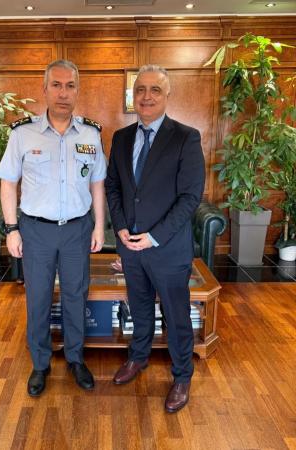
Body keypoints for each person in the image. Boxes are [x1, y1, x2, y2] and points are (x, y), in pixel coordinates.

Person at [0, 59, 106, 397]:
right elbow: (8, 183)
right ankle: (40, 364)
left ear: (77, 90)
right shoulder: (22, 133)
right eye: (56, 85)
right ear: (44, 89)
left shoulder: (91, 133)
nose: (63, 92)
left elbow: (97, 184)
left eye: (70, 86)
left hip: (77, 229)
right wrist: (11, 229)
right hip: (36, 231)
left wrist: (99, 227)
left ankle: (75, 358)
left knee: (76, 295)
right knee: (39, 297)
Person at [105, 65, 205, 413]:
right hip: (130, 246)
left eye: (155, 90)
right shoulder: (121, 137)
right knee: (140, 306)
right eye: (140, 89)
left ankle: (182, 376)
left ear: (167, 95)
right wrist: (120, 227)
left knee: (176, 315)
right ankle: (138, 357)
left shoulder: (185, 137)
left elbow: (190, 197)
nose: (146, 96)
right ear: (133, 95)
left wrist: (154, 237)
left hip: (167, 248)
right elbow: (113, 187)